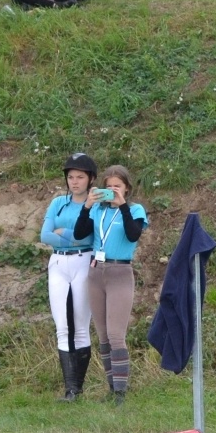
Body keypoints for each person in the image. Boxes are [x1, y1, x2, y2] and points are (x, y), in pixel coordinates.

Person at [71, 164, 148, 404]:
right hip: (96, 272)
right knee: (103, 335)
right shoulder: (98, 210)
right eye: (109, 186)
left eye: (117, 186)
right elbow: (79, 233)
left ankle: (121, 393)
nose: (112, 190)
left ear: (126, 188)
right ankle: (111, 387)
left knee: (116, 335)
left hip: (119, 271)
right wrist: (88, 205)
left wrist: (122, 204)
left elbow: (133, 234)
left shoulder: (135, 209)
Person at [39, 153, 96, 400]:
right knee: (62, 326)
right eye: (71, 177)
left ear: (90, 179)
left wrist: (63, 233)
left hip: (84, 259)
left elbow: (90, 237)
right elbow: (45, 235)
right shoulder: (58, 203)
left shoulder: (96, 204)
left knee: (81, 325)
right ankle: (70, 388)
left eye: (80, 177)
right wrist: (71, 237)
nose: (74, 182)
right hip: (59, 261)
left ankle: (78, 387)